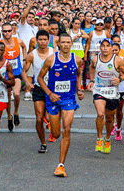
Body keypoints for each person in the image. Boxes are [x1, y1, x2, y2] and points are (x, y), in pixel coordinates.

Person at [37, 33, 84, 177]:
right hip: (53, 99)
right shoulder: (51, 59)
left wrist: (79, 89)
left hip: (69, 98)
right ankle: (51, 125)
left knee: (67, 130)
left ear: (71, 44)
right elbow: (40, 78)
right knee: (56, 134)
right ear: (58, 44)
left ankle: (61, 165)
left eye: (67, 42)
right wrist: (50, 94)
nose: (65, 44)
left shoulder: (77, 60)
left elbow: (77, 74)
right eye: (62, 42)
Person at [88, 38, 124, 155]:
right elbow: (91, 67)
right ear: (100, 47)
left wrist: (119, 79)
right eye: (103, 46)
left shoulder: (118, 60)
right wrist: (91, 80)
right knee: (100, 114)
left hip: (112, 92)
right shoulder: (95, 59)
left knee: (110, 118)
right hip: (99, 90)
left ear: (111, 48)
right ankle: (99, 138)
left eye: (107, 46)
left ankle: (107, 138)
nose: (105, 48)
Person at [22, 30, 55, 153]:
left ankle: (53, 128)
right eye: (40, 39)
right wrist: (27, 83)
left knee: (50, 116)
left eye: (45, 39)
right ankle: (43, 142)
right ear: (37, 40)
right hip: (38, 88)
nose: (42, 42)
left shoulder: (54, 53)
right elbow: (24, 71)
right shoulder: (32, 54)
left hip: (52, 89)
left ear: (48, 41)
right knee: (39, 118)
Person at [0, 22, 27, 131]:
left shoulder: (18, 41)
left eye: (9, 31)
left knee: (16, 94)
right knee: (7, 97)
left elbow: (24, 47)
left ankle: (16, 112)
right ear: (2, 32)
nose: (7, 33)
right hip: (5, 74)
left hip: (16, 72)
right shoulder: (0, 44)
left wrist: (24, 59)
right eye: (4, 31)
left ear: (12, 31)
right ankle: (9, 116)